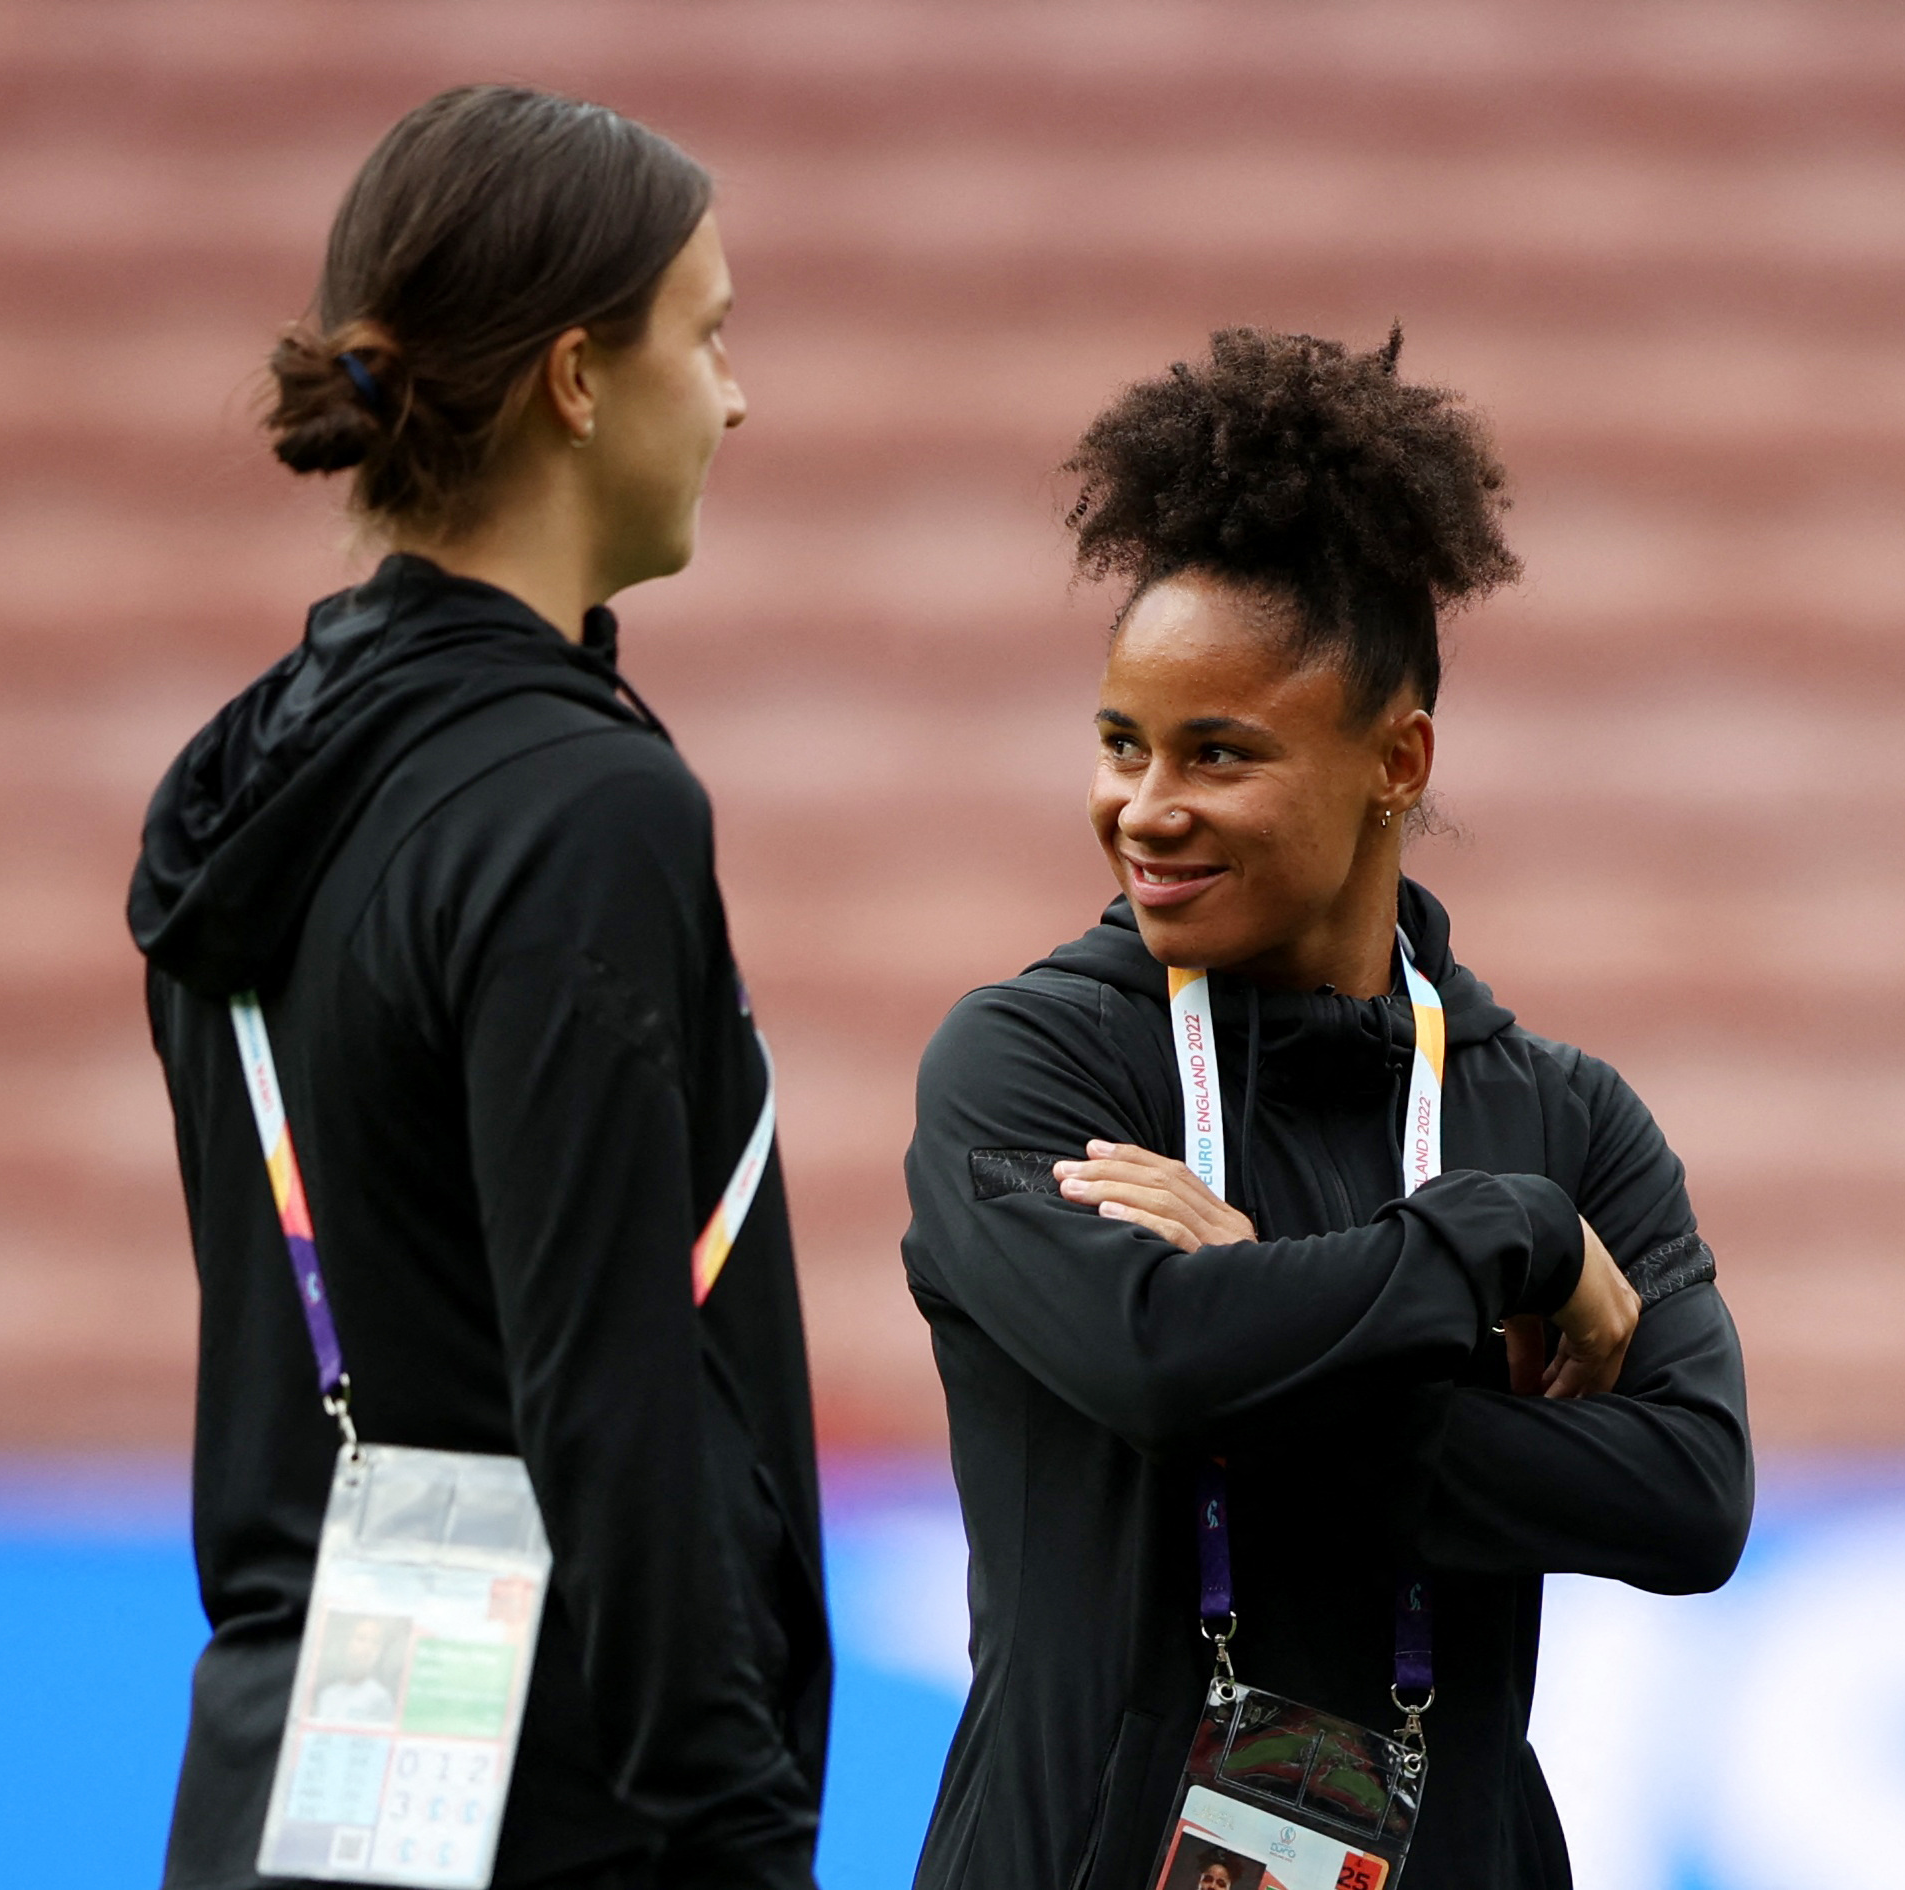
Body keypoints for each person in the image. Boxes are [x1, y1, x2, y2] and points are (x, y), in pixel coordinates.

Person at [902, 329, 1751, 1890]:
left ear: (1396, 761)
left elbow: (1691, 1496)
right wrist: (1496, 1241)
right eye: (1121, 743)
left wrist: (1264, 1315)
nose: (1145, 807)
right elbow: (1157, 1359)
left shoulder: (1568, 1114)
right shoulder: (1028, 1065)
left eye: (1218, 753)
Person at [128, 86, 827, 1890]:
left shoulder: (236, 781)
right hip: (562, 1809)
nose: (735, 398)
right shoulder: (585, 806)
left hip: (277, 1788)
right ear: (578, 379)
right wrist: (744, 1840)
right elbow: (611, 1399)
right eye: (709, 335)